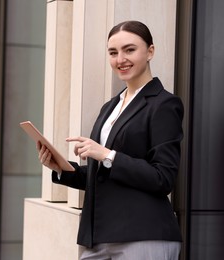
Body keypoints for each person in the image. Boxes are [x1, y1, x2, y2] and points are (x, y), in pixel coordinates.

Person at [37, 20, 183, 260]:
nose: (120, 59)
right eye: (113, 52)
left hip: (143, 234)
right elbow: (105, 175)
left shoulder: (164, 104)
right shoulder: (111, 106)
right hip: (98, 236)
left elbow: (163, 178)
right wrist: (63, 168)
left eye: (129, 49)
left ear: (150, 51)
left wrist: (106, 154)